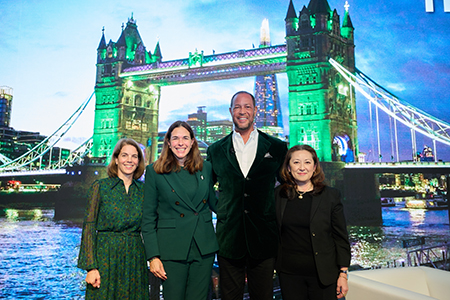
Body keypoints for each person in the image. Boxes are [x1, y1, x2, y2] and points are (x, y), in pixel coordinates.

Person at [206, 91, 288, 300]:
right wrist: (222, 209)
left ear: (255, 111)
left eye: (247, 107)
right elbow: (207, 189)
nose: (242, 111)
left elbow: (287, 187)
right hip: (229, 239)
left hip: (263, 238)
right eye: (237, 107)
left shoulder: (277, 147)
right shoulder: (215, 150)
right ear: (231, 111)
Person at [142, 121, 219, 300]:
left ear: (193, 141)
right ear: (168, 142)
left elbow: (215, 204)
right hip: (172, 249)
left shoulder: (206, 168)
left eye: (185, 138)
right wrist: (153, 256)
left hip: (203, 248)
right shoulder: (154, 172)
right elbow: (148, 218)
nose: (180, 142)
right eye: (175, 138)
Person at [275, 144, 351, 300]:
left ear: (315, 167)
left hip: (323, 275)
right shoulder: (278, 195)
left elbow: (340, 236)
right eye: (296, 162)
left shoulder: (331, 196)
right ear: (288, 168)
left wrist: (343, 273)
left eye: (307, 162)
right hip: (289, 275)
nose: (302, 167)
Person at [77, 138, 149, 299]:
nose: (129, 160)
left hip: (135, 258)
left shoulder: (144, 191)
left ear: (139, 161)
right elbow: (89, 226)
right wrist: (91, 267)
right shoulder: (100, 187)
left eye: (134, 156)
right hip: (105, 257)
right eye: (124, 155)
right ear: (116, 159)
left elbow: (152, 227)